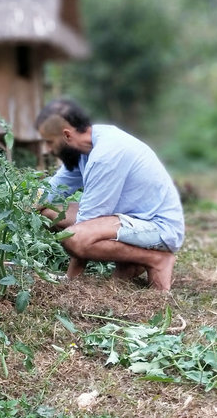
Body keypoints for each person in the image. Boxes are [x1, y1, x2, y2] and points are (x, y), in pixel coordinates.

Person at [35, 98, 184, 290]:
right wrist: (18, 208)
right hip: (129, 218)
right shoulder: (83, 148)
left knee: (75, 238)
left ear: (67, 135)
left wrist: (71, 281)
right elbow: (52, 190)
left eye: (49, 142)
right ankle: (131, 261)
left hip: (159, 227)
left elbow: (87, 222)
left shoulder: (106, 154)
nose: (47, 149)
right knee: (49, 211)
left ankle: (156, 259)